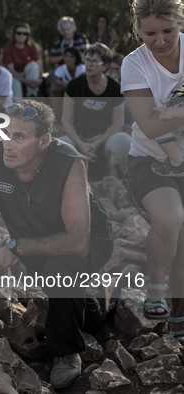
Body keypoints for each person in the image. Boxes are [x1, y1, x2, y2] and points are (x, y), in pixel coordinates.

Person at [0, 99, 113, 390]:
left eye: (19, 137)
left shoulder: (69, 162)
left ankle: (66, 352)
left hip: (89, 239)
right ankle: (94, 301)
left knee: (59, 271)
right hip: (33, 234)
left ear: (43, 141)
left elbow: (78, 242)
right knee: (61, 285)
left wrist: (16, 247)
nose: (7, 144)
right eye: (5, 133)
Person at [122, 0, 184, 337]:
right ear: (138, 31)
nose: (159, 40)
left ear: (180, 23)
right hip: (148, 159)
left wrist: (171, 114)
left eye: (168, 31)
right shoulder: (134, 64)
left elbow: (160, 117)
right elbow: (148, 125)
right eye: (149, 33)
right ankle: (156, 284)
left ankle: (177, 319)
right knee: (170, 219)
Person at [61, 43, 131, 179]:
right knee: (57, 146)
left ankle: (114, 178)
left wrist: (96, 144)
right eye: (87, 60)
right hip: (77, 138)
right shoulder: (74, 86)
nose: (88, 64)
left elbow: (117, 123)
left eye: (94, 61)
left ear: (105, 66)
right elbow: (66, 120)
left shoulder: (115, 88)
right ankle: (69, 182)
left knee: (124, 141)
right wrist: (81, 144)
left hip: (104, 139)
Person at [2, 23, 42, 98]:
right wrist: (25, 81)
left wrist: (40, 78)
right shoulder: (8, 47)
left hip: (27, 74)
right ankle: (18, 106)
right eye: (18, 33)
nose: (21, 36)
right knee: (15, 84)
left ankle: (32, 95)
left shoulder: (31, 46)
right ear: (14, 34)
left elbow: (38, 63)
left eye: (24, 33)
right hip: (14, 75)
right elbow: (11, 70)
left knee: (33, 66)